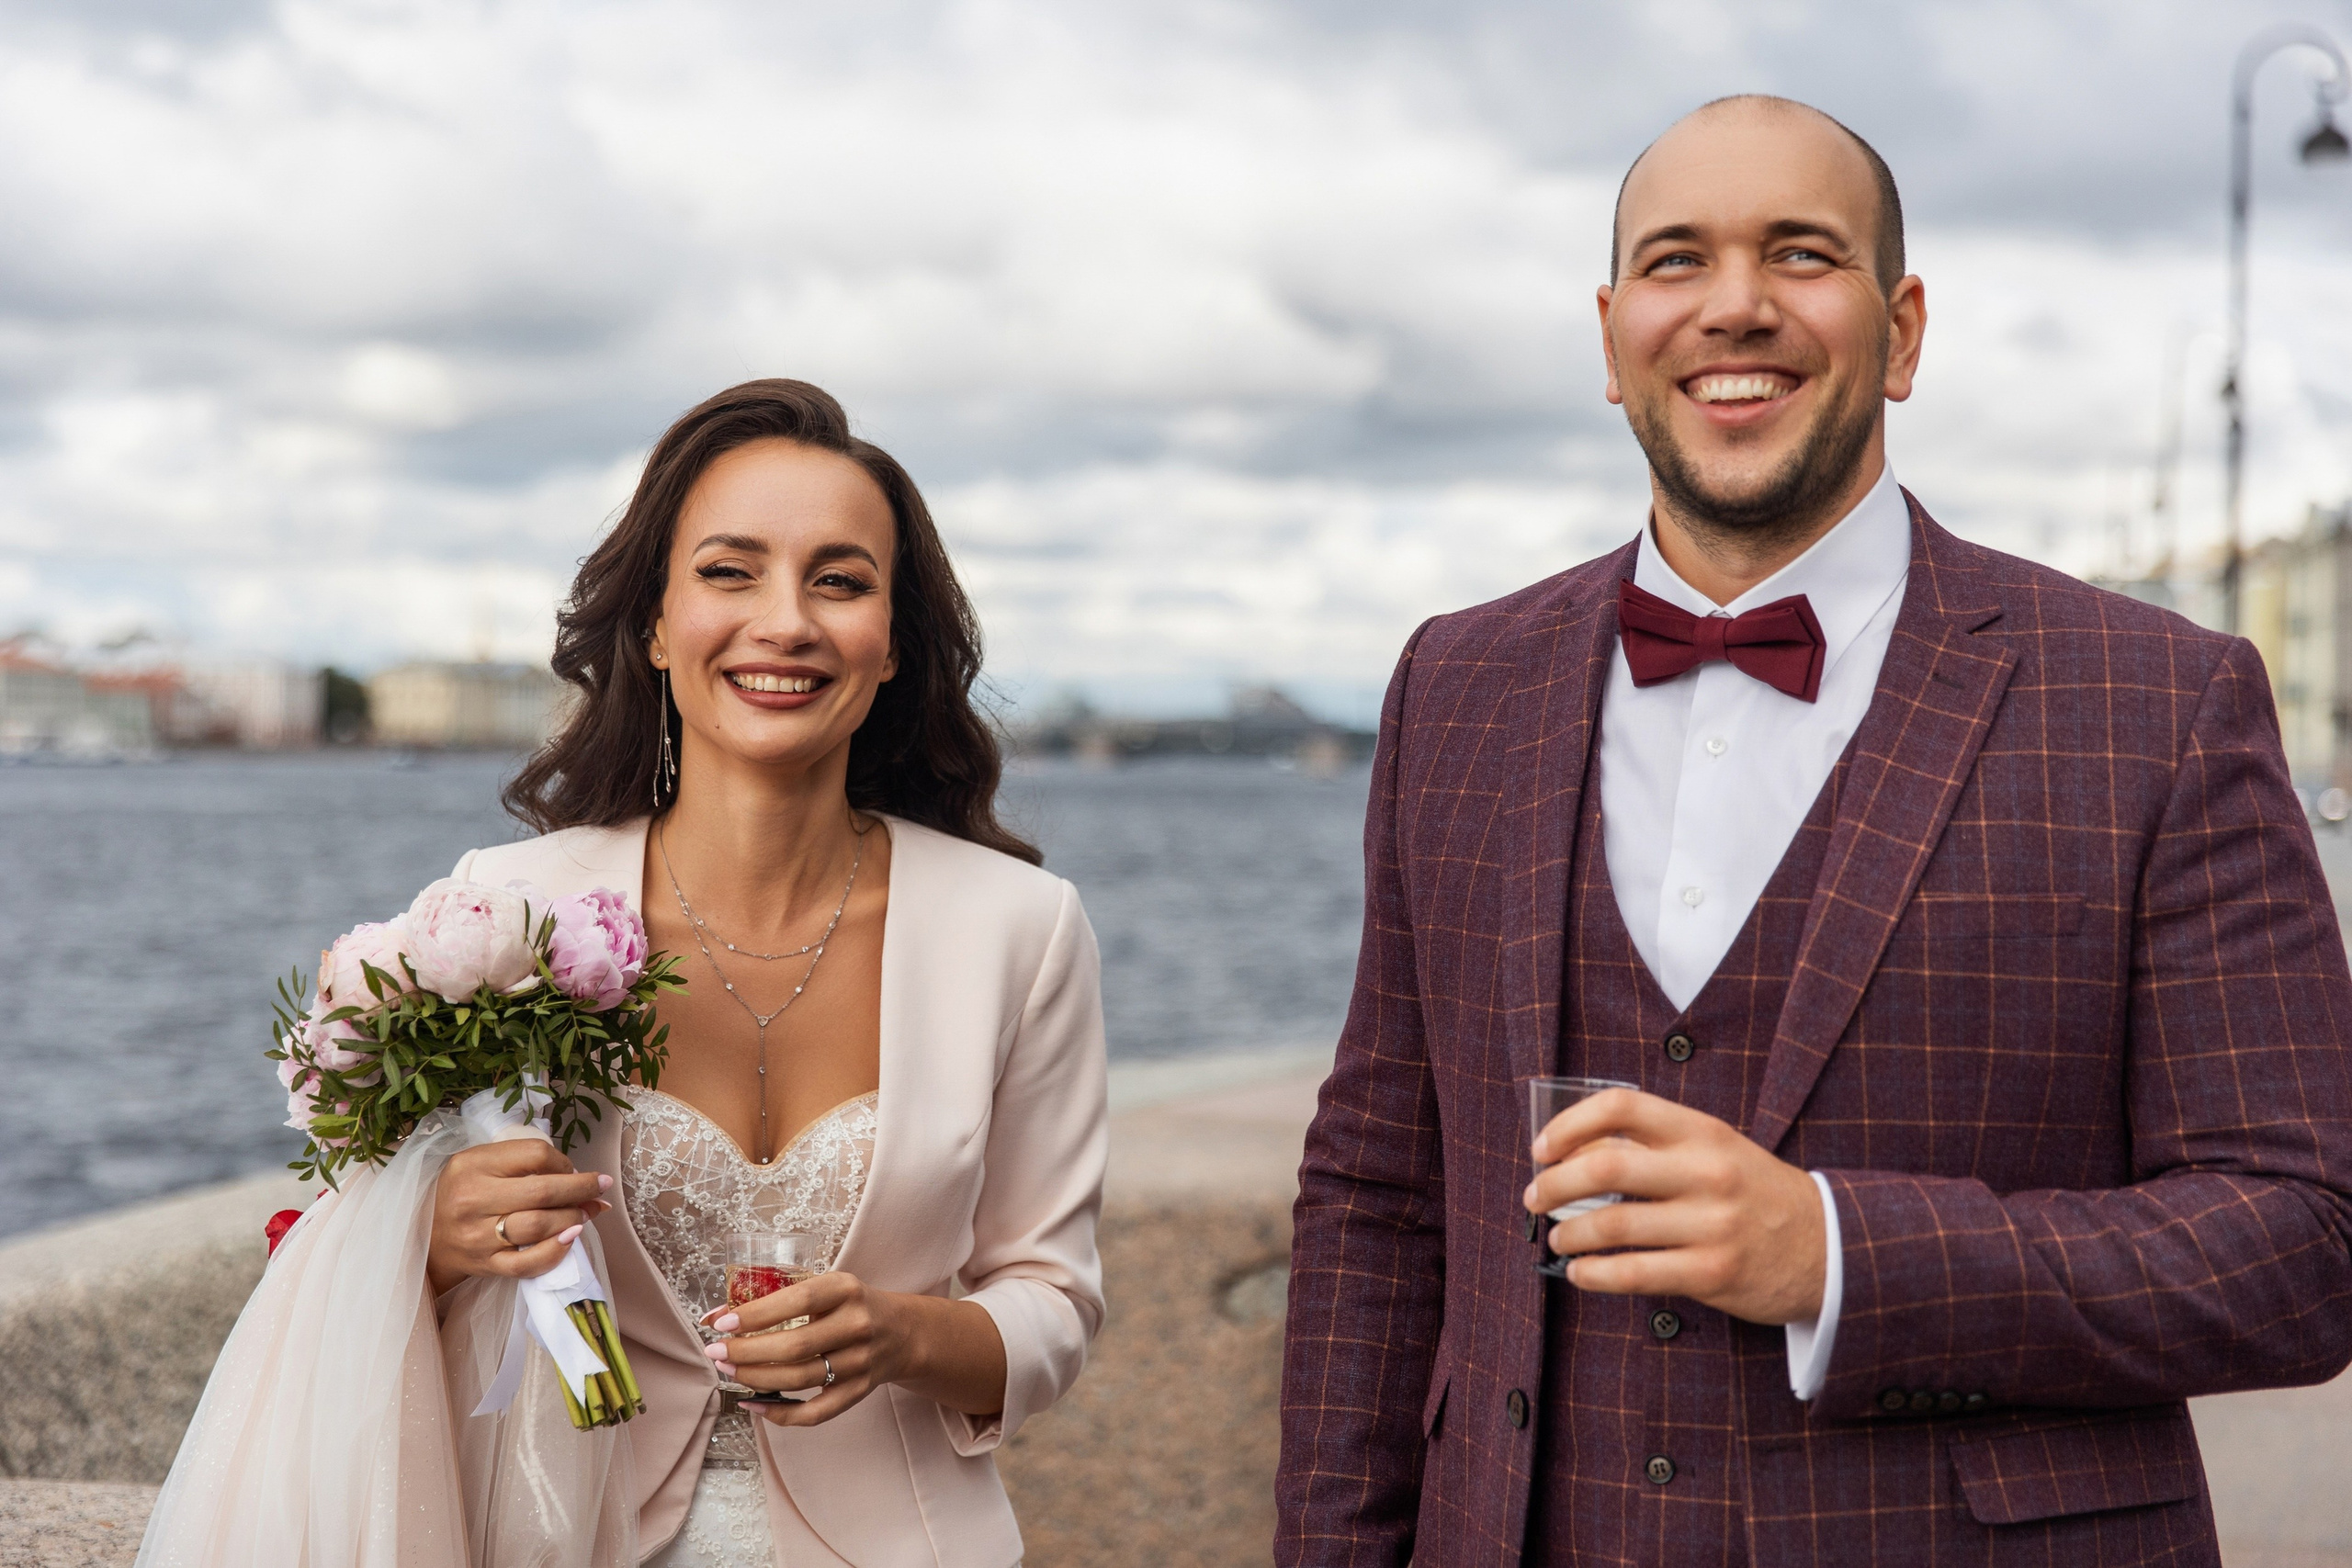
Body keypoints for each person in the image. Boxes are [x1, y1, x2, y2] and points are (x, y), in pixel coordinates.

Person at [1276, 96, 2352, 1567]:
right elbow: (1378, 1198)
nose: (1734, 307)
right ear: (1610, 337)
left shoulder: (2159, 700)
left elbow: (2303, 1245)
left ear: (1902, 331)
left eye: (1799, 254)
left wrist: (1839, 1254)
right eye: (1676, 261)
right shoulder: (1455, 687)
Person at [144, 379, 1107, 1567]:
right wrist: (434, 1235)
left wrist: (903, 1335)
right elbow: (369, 1259)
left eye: (841, 580)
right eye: (730, 570)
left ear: (894, 641)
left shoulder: (1024, 927)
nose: (787, 621)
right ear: (654, 623)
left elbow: (1055, 1302)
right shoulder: (505, 913)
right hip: (565, 1536)